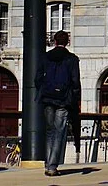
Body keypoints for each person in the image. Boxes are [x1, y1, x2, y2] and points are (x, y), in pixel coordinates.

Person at [37, 30, 81, 177]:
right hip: (64, 100)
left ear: (54, 41)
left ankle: (48, 162)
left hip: (47, 98)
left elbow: (37, 78)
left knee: (49, 131)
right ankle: (52, 166)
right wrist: (75, 99)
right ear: (67, 42)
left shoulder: (45, 57)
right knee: (59, 132)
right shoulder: (72, 59)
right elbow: (75, 81)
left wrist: (43, 90)